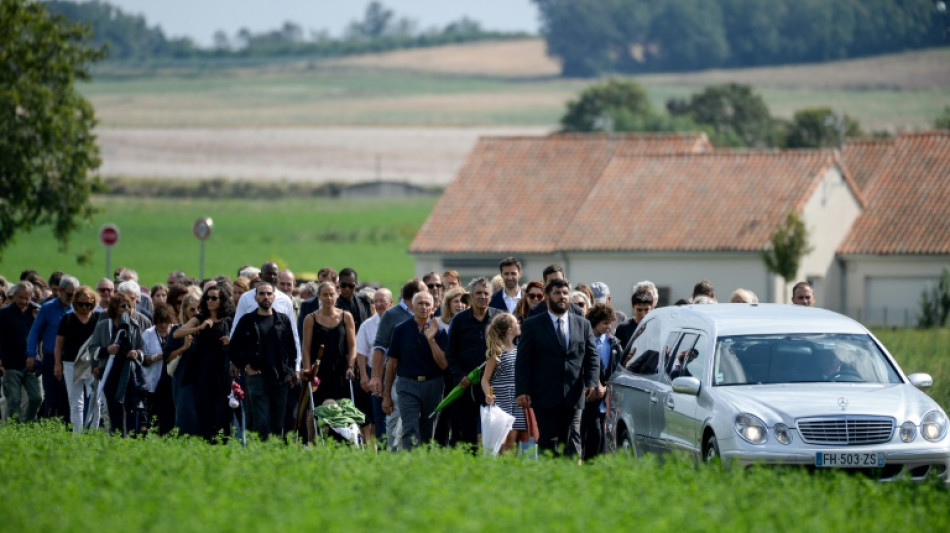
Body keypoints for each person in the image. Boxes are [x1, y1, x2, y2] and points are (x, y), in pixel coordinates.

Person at [516, 278, 599, 458]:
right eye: (557, 293)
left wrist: (592, 382)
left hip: (574, 393)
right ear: (546, 297)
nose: (562, 297)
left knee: (572, 438)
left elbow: (592, 356)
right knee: (548, 440)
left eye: (565, 293)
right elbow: (523, 361)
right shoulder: (533, 324)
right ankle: (550, 480)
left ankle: (572, 480)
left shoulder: (582, 324)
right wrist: (522, 390)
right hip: (544, 394)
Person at [230, 282, 298, 441]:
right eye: (261, 294)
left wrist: (290, 372)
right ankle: (260, 457)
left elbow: (292, 349)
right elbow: (233, 348)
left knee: (277, 424)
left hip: (280, 379)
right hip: (257, 378)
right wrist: (245, 365)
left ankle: (274, 459)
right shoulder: (247, 321)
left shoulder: (283, 320)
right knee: (261, 422)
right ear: (255, 297)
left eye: (268, 294)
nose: (265, 297)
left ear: (274, 296)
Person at [382, 291, 447, 451]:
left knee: (427, 432)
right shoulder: (400, 330)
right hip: (407, 385)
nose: (424, 307)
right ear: (412, 306)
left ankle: (423, 467)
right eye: (420, 303)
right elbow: (392, 363)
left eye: (427, 304)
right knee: (410, 428)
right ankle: (409, 464)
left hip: (433, 385)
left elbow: (443, 364)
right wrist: (386, 395)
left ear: (433, 308)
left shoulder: (440, 331)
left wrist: (431, 340)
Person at [369, 279, 426, 450]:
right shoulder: (392, 315)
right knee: (395, 419)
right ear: (414, 295)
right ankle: (393, 455)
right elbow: (379, 347)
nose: (428, 296)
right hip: (398, 377)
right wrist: (376, 377)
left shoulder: (427, 313)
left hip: (423, 378)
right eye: (423, 293)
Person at [445, 277, 501, 449]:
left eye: (486, 293)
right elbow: (451, 352)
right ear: (470, 296)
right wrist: (460, 375)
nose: (482, 297)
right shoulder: (459, 320)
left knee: (491, 430)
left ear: (491, 296)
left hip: (492, 384)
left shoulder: (498, 318)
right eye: (478, 293)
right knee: (466, 431)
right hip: (465, 384)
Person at [174, 285, 233, 442]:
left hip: (222, 370)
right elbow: (177, 333)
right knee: (204, 408)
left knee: (222, 409)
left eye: (214, 298)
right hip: (203, 370)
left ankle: (223, 442)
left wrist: (230, 342)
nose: (210, 301)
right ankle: (207, 440)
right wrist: (199, 327)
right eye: (207, 298)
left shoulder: (228, 319)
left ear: (222, 301)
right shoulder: (200, 318)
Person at [88, 292, 147, 436]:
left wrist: (136, 353)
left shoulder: (135, 326)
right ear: (114, 308)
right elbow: (92, 347)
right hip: (109, 372)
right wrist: (106, 350)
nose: (127, 308)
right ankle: (116, 437)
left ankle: (133, 438)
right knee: (114, 408)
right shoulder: (103, 326)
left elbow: (142, 349)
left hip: (129, 373)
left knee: (131, 407)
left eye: (129, 306)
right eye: (123, 306)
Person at [28, 275, 79, 419]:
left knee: (68, 394)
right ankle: (48, 424)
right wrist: (31, 354)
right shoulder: (47, 308)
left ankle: (67, 426)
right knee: (50, 394)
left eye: (74, 294)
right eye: (69, 294)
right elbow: (35, 331)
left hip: (70, 358)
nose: (71, 298)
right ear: (60, 291)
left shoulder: (77, 309)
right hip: (50, 358)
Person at [301, 282, 357, 407]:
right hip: (319, 371)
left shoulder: (346, 316)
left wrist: (351, 367)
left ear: (337, 295)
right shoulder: (310, 319)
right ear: (319, 296)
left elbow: (352, 346)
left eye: (332, 294)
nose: (329, 298)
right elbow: (306, 347)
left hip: (341, 370)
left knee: (342, 408)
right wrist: (307, 369)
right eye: (325, 295)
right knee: (316, 409)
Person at [53, 285, 100, 433]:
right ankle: (77, 434)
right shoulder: (67, 319)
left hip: (93, 365)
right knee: (76, 402)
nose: (85, 307)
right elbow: (58, 345)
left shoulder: (99, 319)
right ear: (75, 303)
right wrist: (57, 364)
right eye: (81, 304)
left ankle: (93, 431)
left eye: (89, 304)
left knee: (96, 400)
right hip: (71, 364)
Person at [580, 303, 621, 460]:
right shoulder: (585, 340)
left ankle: (595, 465)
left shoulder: (613, 342)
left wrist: (606, 387)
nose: (608, 327)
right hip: (589, 392)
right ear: (594, 322)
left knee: (601, 433)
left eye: (610, 323)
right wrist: (595, 383)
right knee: (589, 431)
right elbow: (586, 364)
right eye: (605, 323)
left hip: (606, 394)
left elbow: (616, 367)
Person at [480, 313, 525, 455]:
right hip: (502, 402)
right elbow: (485, 379)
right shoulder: (497, 352)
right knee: (502, 442)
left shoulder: (519, 349)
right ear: (509, 330)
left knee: (512, 441)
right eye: (516, 323)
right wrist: (489, 394)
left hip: (516, 401)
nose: (519, 325)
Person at [355, 287, 393, 446]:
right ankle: (383, 449)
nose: (378, 304)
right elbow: (361, 352)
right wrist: (364, 375)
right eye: (375, 301)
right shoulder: (367, 325)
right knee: (379, 414)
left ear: (390, 303)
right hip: (376, 373)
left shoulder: (399, 322)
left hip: (396, 373)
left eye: (382, 301)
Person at [0, 281, 42, 421]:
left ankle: (28, 424)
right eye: (21, 297)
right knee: (14, 400)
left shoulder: (35, 313)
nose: (24, 301)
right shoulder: (4, 314)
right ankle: (14, 429)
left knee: (36, 398)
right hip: (10, 364)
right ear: (14, 295)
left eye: (27, 298)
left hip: (31, 364)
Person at [166, 290, 201, 435]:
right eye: (192, 309)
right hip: (184, 379)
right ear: (185, 311)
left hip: (202, 380)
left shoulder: (205, 329)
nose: (196, 312)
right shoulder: (177, 330)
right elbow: (167, 357)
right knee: (186, 418)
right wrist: (183, 348)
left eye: (199, 308)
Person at [141, 303, 176, 435]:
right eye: (160, 322)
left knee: (169, 412)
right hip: (153, 380)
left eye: (166, 322)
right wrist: (157, 357)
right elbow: (142, 359)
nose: (163, 326)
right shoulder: (148, 334)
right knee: (152, 414)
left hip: (170, 379)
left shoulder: (175, 331)